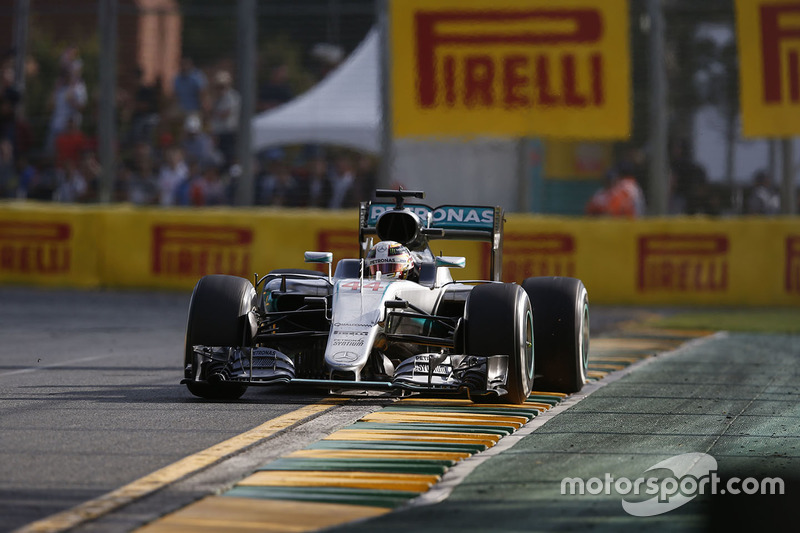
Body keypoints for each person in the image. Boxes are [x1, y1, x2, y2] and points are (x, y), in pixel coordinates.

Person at [208, 70, 239, 168]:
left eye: (221, 85)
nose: (219, 88)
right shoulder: (216, 99)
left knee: (229, 158)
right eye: (217, 86)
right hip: (218, 134)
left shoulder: (232, 97)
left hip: (229, 133)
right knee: (219, 160)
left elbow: (225, 114)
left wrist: (213, 112)